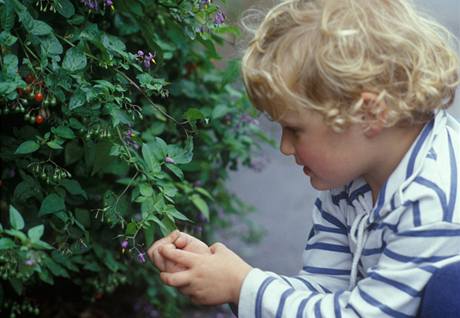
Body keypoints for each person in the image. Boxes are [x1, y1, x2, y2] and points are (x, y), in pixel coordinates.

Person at [147, 0, 460, 316]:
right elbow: (325, 292)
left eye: (294, 129)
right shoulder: (351, 178)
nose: (285, 147)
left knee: (449, 289)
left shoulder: (431, 202)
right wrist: (223, 273)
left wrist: (243, 286)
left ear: (368, 114)